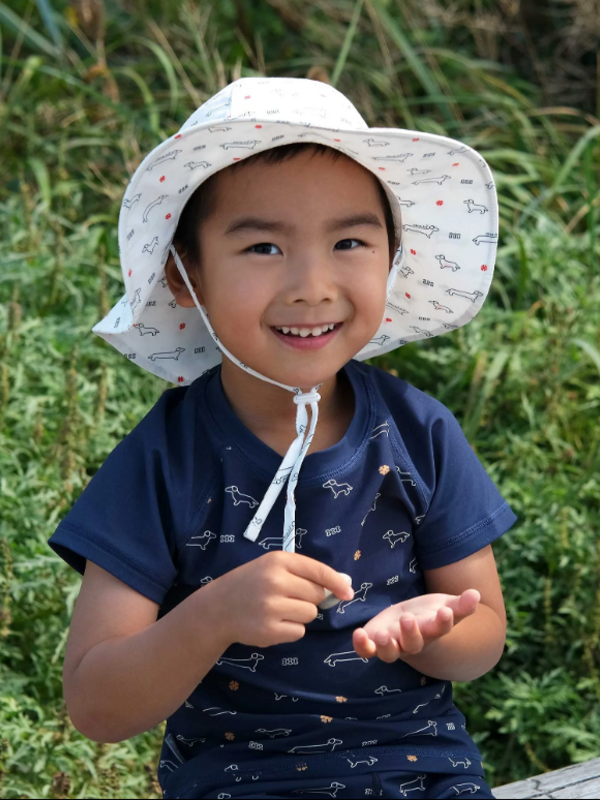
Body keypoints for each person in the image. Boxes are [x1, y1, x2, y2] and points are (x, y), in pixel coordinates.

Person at [48, 77, 517, 799]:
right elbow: (96, 703)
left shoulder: (418, 433)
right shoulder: (163, 462)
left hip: (421, 773)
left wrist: (434, 632)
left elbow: (484, 638)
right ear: (184, 275)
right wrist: (211, 617)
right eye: (264, 246)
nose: (312, 284)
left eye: (350, 240)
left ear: (392, 255)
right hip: (241, 784)